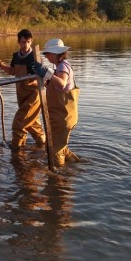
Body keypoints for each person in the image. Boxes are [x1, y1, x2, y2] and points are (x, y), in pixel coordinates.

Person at [0, 29, 45, 149]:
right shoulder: (16, 56)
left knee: (19, 123)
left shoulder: (35, 57)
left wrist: (33, 82)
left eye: (27, 42)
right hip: (21, 95)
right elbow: (13, 71)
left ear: (31, 42)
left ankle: (17, 150)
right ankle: (43, 146)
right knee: (33, 125)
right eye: (23, 42)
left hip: (33, 96)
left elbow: (43, 79)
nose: (25, 44)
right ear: (18, 42)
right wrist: (0, 64)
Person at [31, 38, 80, 167]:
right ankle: (75, 163)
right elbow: (52, 84)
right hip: (61, 116)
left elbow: (62, 83)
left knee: (55, 149)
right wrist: (41, 79)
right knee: (59, 144)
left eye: (48, 54)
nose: (46, 56)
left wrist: (45, 72)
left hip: (64, 117)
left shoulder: (63, 66)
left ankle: (58, 177)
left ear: (56, 54)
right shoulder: (57, 68)